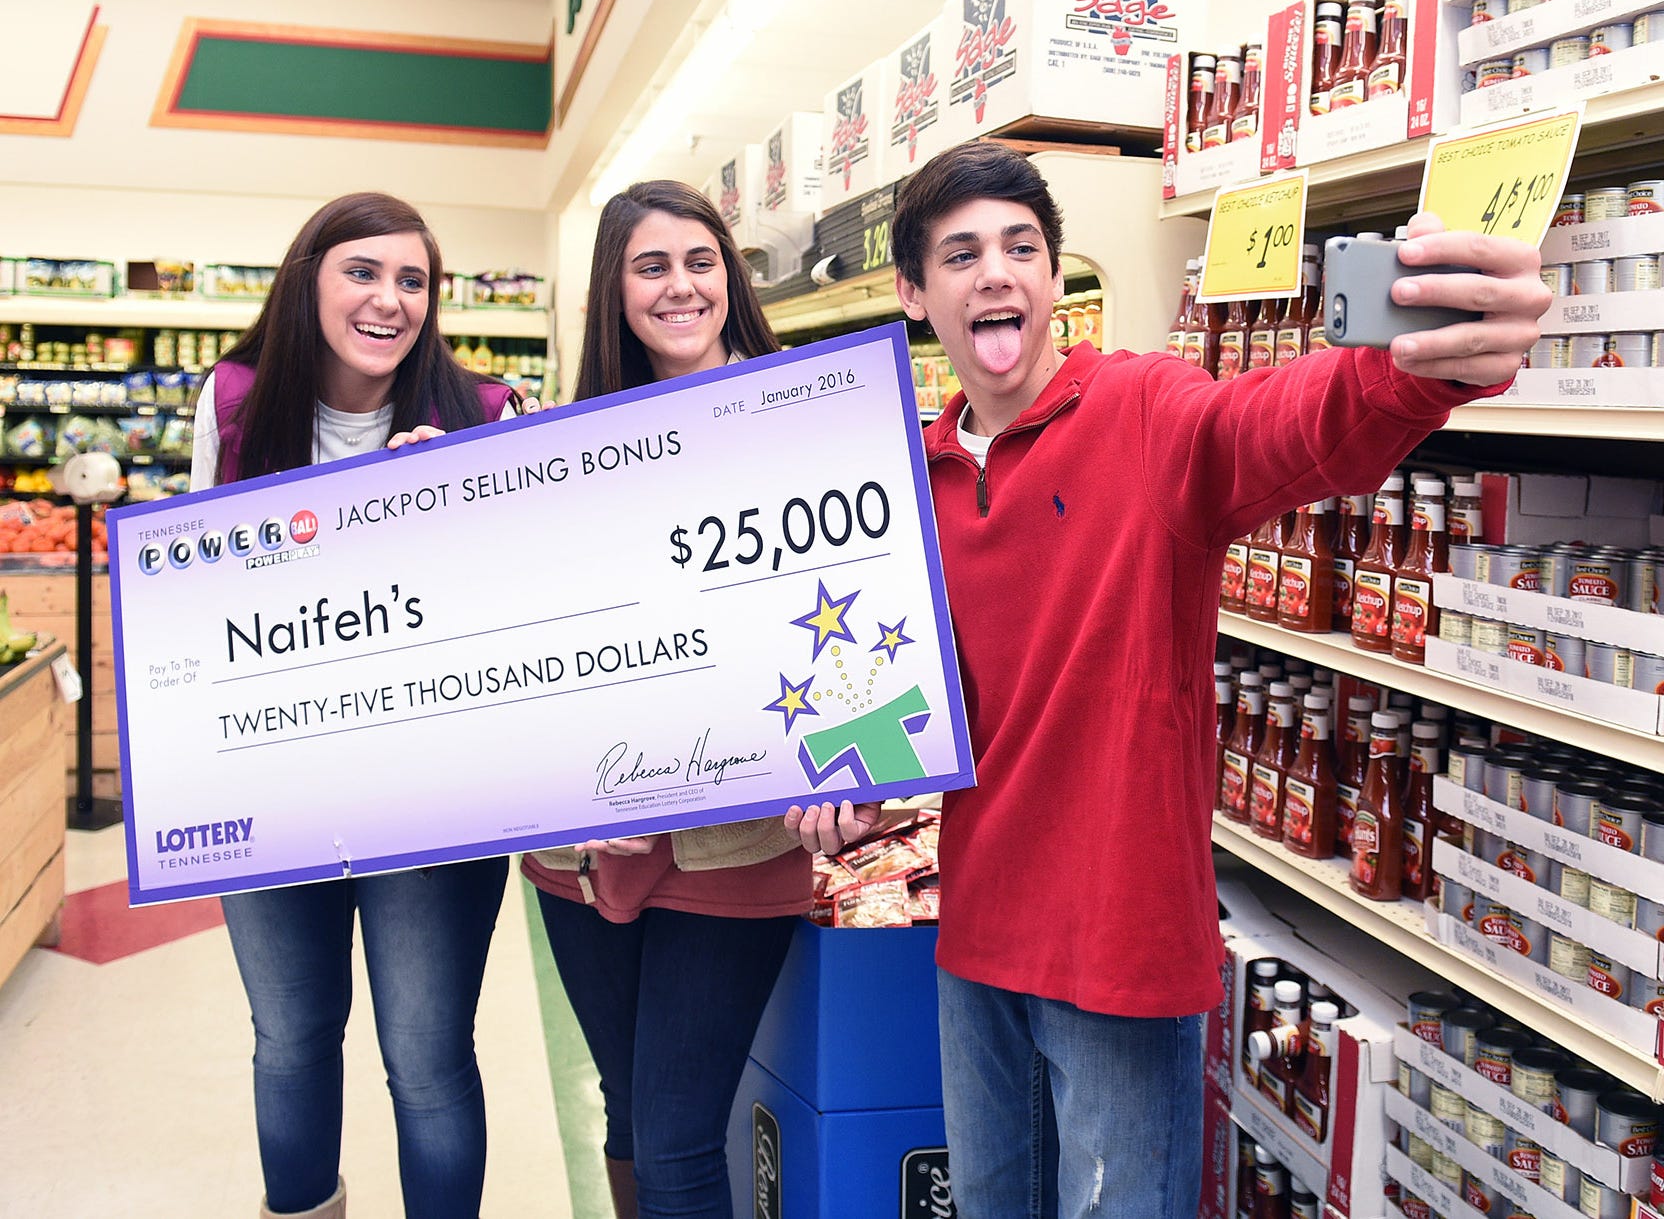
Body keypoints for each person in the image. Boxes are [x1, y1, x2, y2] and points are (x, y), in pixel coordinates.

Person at [786, 141, 1549, 1219]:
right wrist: (846, 778)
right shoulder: (907, 486)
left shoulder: (1148, 413)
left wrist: (1421, 355)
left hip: (1120, 939)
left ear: (1054, 280)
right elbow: (913, 696)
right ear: (915, 296)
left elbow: (1288, 423)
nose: (995, 272)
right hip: (973, 935)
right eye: (959, 256)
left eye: (1021, 247)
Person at [190, 191, 526, 1219]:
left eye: (413, 281)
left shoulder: (485, 413)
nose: (390, 300)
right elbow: (197, 593)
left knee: (426, 1053)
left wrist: (444, 518)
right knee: (290, 1039)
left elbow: (521, 618)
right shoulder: (237, 402)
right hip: (277, 780)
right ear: (309, 280)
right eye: (363, 272)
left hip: (432, 795)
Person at [521, 179, 809, 1219]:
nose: (682, 285)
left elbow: (858, 613)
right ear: (615, 287)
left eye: (701, 260)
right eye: (652, 265)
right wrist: (424, 490)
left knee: (683, 1134)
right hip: (580, 847)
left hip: (732, 843)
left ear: (729, 275)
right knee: (629, 1109)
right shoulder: (558, 445)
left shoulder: (802, 413)